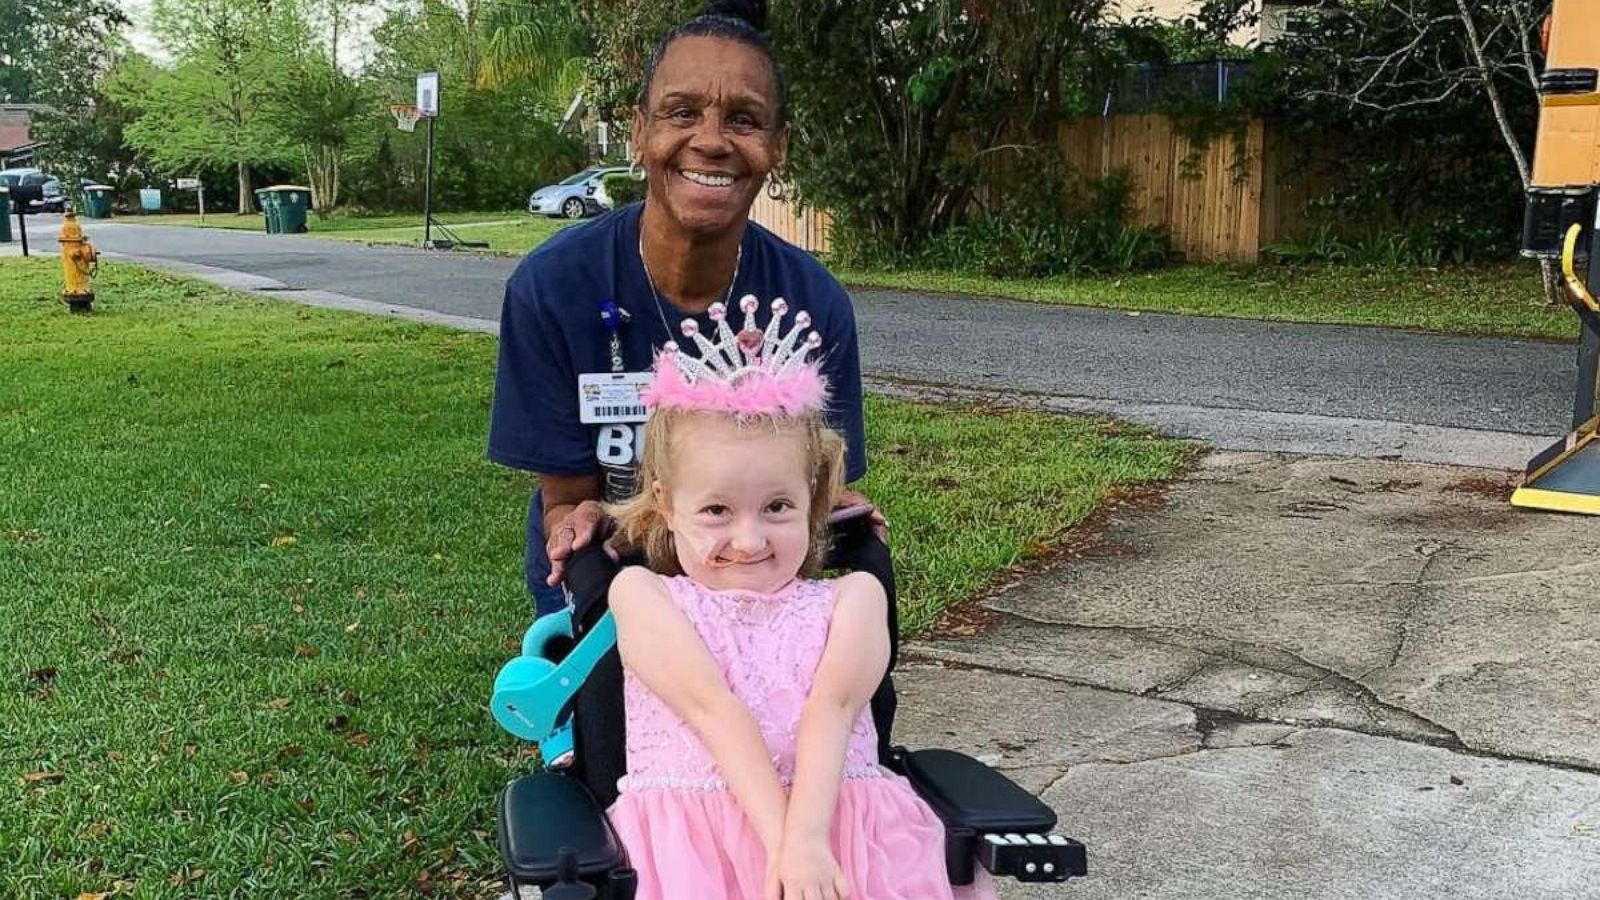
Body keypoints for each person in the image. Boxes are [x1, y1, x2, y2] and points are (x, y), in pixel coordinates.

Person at [487, 0, 880, 617]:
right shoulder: (552, 288)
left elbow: (816, 490)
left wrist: (845, 513)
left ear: (777, 147)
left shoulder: (812, 303)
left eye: (744, 119)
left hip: (750, 588)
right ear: (639, 132)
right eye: (682, 112)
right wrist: (580, 522)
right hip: (608, 589)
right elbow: (564, 500)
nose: (712, 140)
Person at [602, 298, 995, 900]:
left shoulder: (853, 599)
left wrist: (809, 842)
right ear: (664, 505)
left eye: (778, 507)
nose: (750, 539)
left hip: (844, 831)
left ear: (813, 502)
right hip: (695, 852)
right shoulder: (642, 594)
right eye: (715, 510)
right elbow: (711, 708)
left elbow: (833, 711)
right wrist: (787, 845)